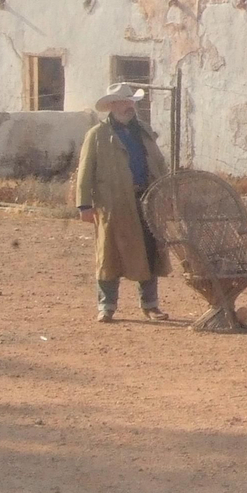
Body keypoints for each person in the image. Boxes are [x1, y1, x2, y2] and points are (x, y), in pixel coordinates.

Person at [74, 83, 172, 322]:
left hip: (147, 199)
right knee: (108, 254)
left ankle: (150, 305)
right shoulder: (97, 135)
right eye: (123, 102)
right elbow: (85, 172)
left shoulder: (145, 132)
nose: (129, 107)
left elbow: (159, 164)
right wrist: (84, 205)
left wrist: (167, 195)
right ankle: (106, 307)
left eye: (131, 102)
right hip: (113, 205)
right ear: (112, 106)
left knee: (149, 251)